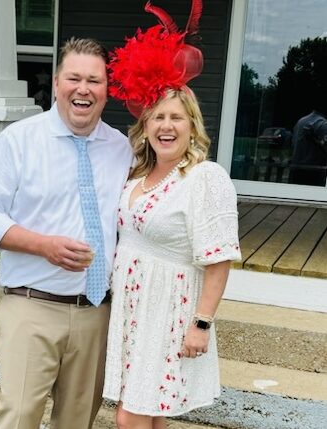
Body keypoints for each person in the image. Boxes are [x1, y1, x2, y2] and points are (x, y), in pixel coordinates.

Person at [0, 37, 133, 429]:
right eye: (74, 78)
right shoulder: (19, 141)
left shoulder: (121, 148)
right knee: (19, 418)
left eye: (94, 81)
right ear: (57, 83)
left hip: (96, 312)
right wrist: (43, 246)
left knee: (77, 422)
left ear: (107, 91)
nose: (83, 89)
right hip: (32, 307)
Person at [102, 3, 241, 428]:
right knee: (151, 414)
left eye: (176, 117)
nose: (166, 125)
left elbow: (218, 260)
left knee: (130, 418)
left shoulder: (204, 178)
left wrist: (201, 323)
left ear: (191, 125)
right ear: (145, 126)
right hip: (131, 308)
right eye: (157, 117)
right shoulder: (137, 175)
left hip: (169, 310)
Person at [289, 110, 327, 186]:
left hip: (296, 167)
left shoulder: (301, 121)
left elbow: (292, 143)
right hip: (313, 170)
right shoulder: (321, 123)